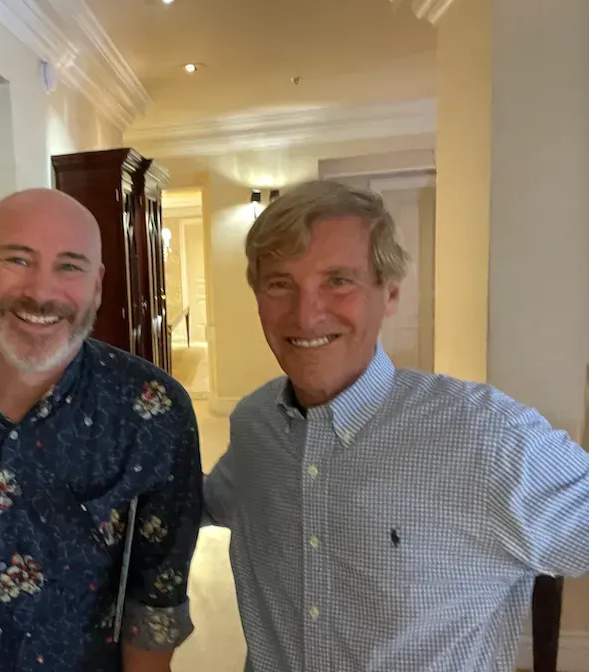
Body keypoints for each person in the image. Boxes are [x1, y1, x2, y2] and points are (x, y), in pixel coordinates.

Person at [203, 179, 589, 672]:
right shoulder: (256, 425)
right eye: (280, 283)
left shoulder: (487, 438)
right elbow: (208, 501)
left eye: (338, 280)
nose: (306, 314)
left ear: (390, 294)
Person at [0, 188, 203, 672]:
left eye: (70, 266)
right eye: (17, 259)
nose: (42, 292)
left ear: (97, 284)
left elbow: (155, 600)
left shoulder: (152, 410)